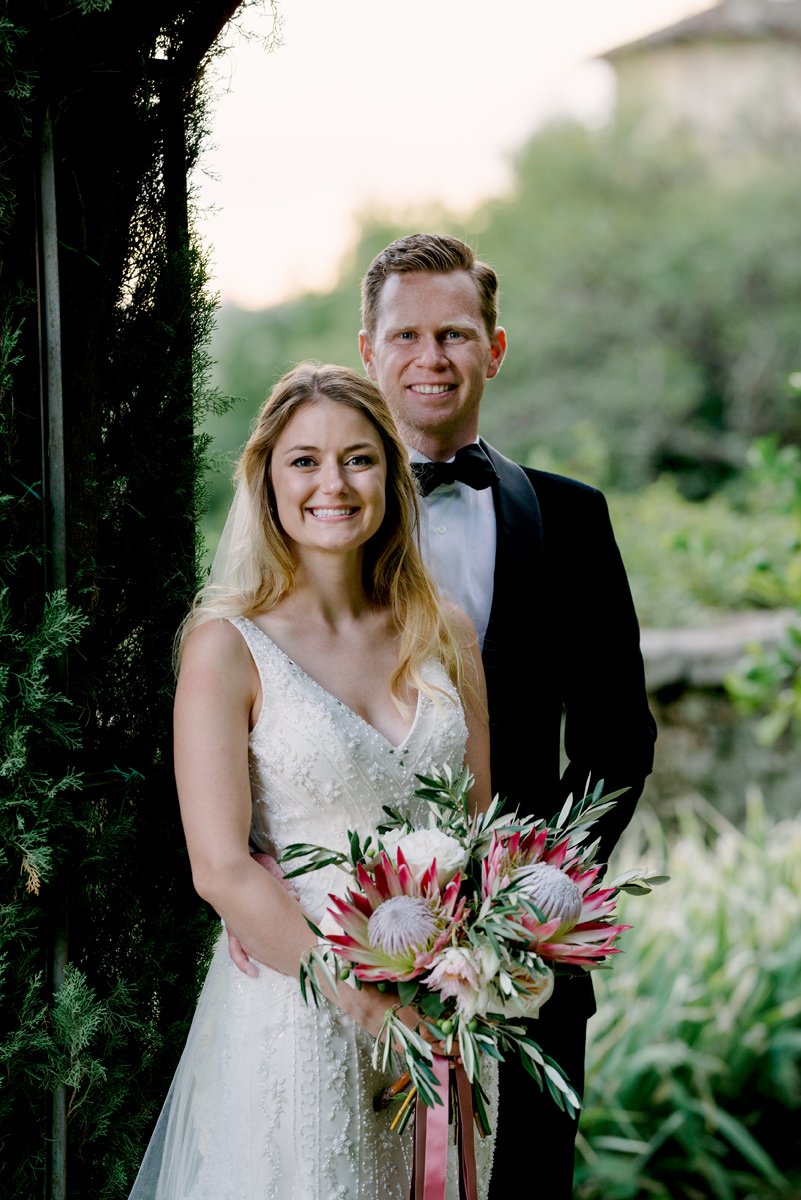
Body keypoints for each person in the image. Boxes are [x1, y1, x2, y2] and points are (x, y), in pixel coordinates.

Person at [232, 234, 657, 1195]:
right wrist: (261, 867)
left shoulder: (573, 519)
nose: (433, 358)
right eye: (408, 335)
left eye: (456, 334)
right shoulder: (302, 526)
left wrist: (530, 905)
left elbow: (615, 736)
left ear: (493, 350)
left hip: (525, 972)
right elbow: (261, 718)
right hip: (330, 961)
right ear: (369, 349)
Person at [127, 362, 497, 1200]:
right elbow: (219, 867)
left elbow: (482, 831)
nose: (332, 483)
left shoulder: (449, 635)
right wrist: (366, 1007)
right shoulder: (226, 647)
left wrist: (476, 972)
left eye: (359, 459)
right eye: (303, 461)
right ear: (265, 478)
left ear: (390, 477)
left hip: (443, 1016)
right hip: (298, 1017)